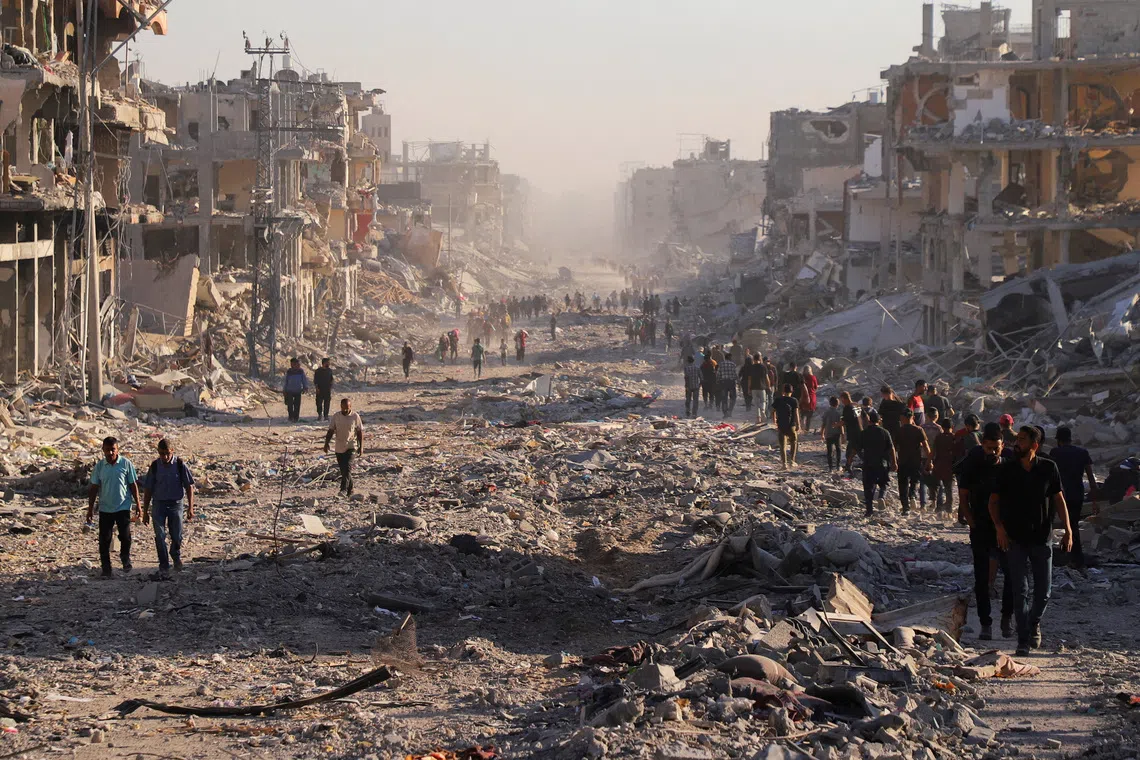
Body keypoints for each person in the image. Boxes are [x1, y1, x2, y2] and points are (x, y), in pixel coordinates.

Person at [989, 426, 1073, 656]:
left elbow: (1059, 499)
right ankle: (1023, 640)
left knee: (1044, 590)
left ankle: (1032, 622)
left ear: (1034, 445)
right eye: (1017, 439)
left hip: (1042, 538)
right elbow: (993, 502)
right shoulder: (1006, 470)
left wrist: (1068, 530)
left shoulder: (1048, 468)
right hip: (1014, 538)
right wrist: (999, 529)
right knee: (1020, 590)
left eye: (1023, 440)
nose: (1017, 444)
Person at [955, 422, 1013, 640]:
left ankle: (1007, 618)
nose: (992, 452)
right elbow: (963, 495)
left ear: (1002, 444)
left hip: (1005, 529)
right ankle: (985, 623)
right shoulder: (973, 461)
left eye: (996, 448)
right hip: (981, 526)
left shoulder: (1009, 463)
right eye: (988, 448)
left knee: (1010, 574)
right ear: (982, 445)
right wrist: (970, 521)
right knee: (981, 578)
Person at [86, 437, 141, 578]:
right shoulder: (99, 467)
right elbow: (94, 488)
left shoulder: (125, 464)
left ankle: (125, 559)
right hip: (105, 508)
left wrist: (138, 505)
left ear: (117, 449)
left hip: (123, 506)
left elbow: (133, 485)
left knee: (125, 536)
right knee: (104, 539)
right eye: (107, 450)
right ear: (103, 450)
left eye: (113, 449)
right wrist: (90, 508)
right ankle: (106, 569)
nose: (110, 453)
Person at [142, 439, 195, 577]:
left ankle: (175, 555)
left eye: (167, 453)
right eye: (161, 454)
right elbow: (148, 489)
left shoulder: (179, 464)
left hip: (176, 504)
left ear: (172, 451)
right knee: (159, 535)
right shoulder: (155, 466)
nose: (164, 457)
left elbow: (189, 486)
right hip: (159, 504)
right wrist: (145, 511)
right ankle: (164, 564)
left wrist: (190, 507)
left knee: (176, 535)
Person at [1049, 427, 1097, 569]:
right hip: (1077, 495)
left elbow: (1051, 475)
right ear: (1071, 439)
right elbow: (1091, 478)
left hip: (1059, 495)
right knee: (1073, 526)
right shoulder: (1083, 453)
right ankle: (1076, 558)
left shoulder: (1055, 453)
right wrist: (1094, 500)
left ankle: (1061, 556)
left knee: (1051, 525)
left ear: (1058, 440)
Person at [324, 398, 364, 498]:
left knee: (347, 468)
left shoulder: (355, 416)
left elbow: (359, 432)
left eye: (347, 408)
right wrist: (326, 444)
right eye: (343, 408)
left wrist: (361, 446)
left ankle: (343, 489)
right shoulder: (336, 416)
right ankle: (351, 489)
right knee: (344, 470)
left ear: (350, 407)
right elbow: (331, 431)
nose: (345, 410)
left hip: (351, 446)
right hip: (339, 446)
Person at [895, 409, 931, 515]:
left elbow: (894, 447)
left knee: (903, 484)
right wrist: (929, 461)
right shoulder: (918, 430)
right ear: (913, 418)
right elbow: (926, 447)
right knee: (914, 481)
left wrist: (893, 460)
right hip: (916, 460)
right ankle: (912, 496)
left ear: (902, 418)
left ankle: (905, 507)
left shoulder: (899, 431)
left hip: (902, 460)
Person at [860, 411, 896, 517]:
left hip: (868, 463)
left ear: (869, 421)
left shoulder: (864, 433)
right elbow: (891, 448)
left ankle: (869, 510)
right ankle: (881, 496)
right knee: (883, 483)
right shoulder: (885, 432)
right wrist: (894, 462)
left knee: (868, 487)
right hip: (882, 464)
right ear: (879, 421)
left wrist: (849, 461)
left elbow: (855, 448)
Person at [931, 418, 957, 517]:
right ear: (952, 427)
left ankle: (939, 508)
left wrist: (929, 463)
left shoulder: (938, 437)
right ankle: (949, 510)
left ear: (942, 427)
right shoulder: (954, 438)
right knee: (949, 489)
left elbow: (933, 451)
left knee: (939, 487)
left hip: (939, 465)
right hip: (950, 466)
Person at [771, 384, 800, 469]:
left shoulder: (778, 400)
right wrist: (798, 424)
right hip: (791, 425)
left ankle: (784, 464)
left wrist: (774, 420)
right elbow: (796, 413)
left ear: (783, 391)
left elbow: (772, 411)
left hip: (781, 425)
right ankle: (792, 461)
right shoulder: (794, 400)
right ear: (791, 391)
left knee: (782, 445)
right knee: (793, 442)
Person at [840, 391, 864, 476]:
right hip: (861, 431)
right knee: (855, 450)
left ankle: (849, 469)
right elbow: (866, 417)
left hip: (853, 432)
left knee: (852, 451)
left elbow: (843, 421)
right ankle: (848, 466)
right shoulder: (857, 405)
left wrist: (836, 425)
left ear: (843, 398)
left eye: (842, 399)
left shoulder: (847, 407)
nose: (841, 401)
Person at [283, 358, 309, 423]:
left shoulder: (300, 371)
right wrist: (284, 390)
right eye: (293, 364)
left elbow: (304, 380)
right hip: (289, 391)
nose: (296, 365)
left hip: (298, 391)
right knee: (290, 405)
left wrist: (305, 387)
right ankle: (291, 417)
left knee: (297, 405)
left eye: (297, 364)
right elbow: (286, 381)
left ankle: (296, 418)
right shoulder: (289, 372)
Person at [821, 396, 843, 472]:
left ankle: (830, 468)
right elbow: (841, 424)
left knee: (829, 451)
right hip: (837, 434)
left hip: (828, 434)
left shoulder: (826, 412)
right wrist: (842, 434)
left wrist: (822, 433)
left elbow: (823, 424)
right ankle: (838, 466)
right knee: (838, 450)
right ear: (837, 404)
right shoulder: (838, 413)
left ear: (830, 403)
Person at [717, 353, 738, 417]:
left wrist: (718, 381)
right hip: (731, 382)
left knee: (724, 398)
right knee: (733, 398)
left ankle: (725, 413)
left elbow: (718, 374)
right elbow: (735, 374)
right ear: (730, 358)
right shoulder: (733, 364)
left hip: (723, 383)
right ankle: (730, 411)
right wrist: (737, 381)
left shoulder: (721, 364)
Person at [753, 354, 772, 422]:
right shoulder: (763, 367)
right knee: (763, 401)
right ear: (760, 359)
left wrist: (749, 388)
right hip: (762, 387)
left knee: (756, 403)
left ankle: (758, 418)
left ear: (754, 359)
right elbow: (767, 378)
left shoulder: (751, 367)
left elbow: (749, 379)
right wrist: (769, 386)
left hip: (754, 387)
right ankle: (763, 411)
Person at [800, 366, 819, 432]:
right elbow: (816, 387)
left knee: (802, 413)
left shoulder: (802, 377)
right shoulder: (813, 377)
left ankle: (801, 426)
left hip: (803, 396)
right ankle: (807, 429)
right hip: (811, 397)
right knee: (809, 416)